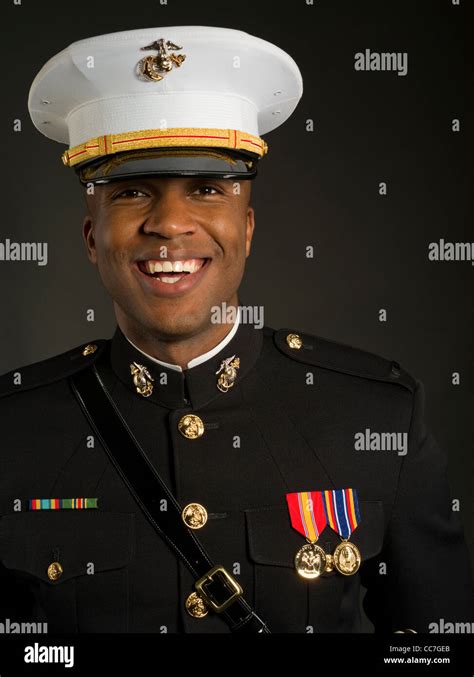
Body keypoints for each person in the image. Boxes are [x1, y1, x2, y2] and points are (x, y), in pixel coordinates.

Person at [0, 25, 472, 634]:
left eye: (205, 189)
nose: (170, 224)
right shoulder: (12, 428)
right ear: (92, 238)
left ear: (246, 229)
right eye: (132, 191)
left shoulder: (377, 414)